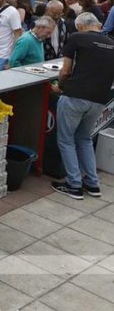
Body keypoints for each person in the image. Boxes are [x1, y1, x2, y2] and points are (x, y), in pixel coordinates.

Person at [52, 12, 114, 200]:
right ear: (97, 24)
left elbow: (65, 70)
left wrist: (60, 87)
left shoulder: (76, 38)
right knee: (84, 139)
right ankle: (92, 183)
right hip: (99, 98)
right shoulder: (112, 43)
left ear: (80, 26)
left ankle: (74, 185)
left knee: (66, 139)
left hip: (75, 95)